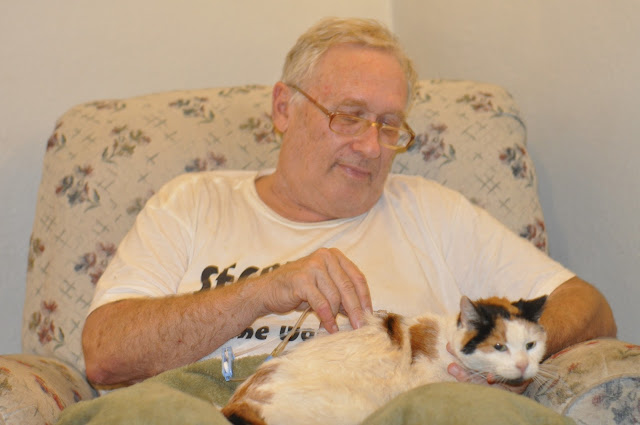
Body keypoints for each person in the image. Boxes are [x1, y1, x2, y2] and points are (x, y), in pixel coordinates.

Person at [82, 17, 616, 390]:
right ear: (284, 108)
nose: (371, 146)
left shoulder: (432, 212)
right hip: (210, 403)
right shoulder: (192, 202)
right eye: (350, 116)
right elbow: (105, 356)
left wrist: (512, 366)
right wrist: (261, 292)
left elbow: (588, 304)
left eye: (389, 125)